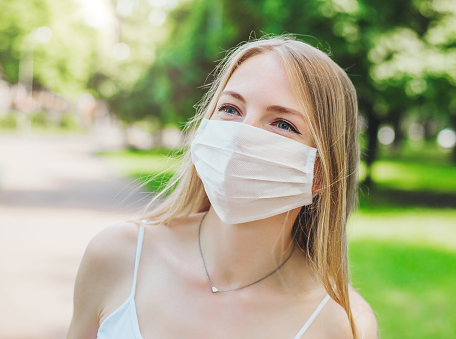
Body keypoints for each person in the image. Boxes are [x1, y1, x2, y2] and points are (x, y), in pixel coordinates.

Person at [67, 35, 378, 339]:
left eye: (283, 123)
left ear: (320, 173)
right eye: (230, 108)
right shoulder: (117, 256)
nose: (239, 137)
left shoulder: (343, 324)